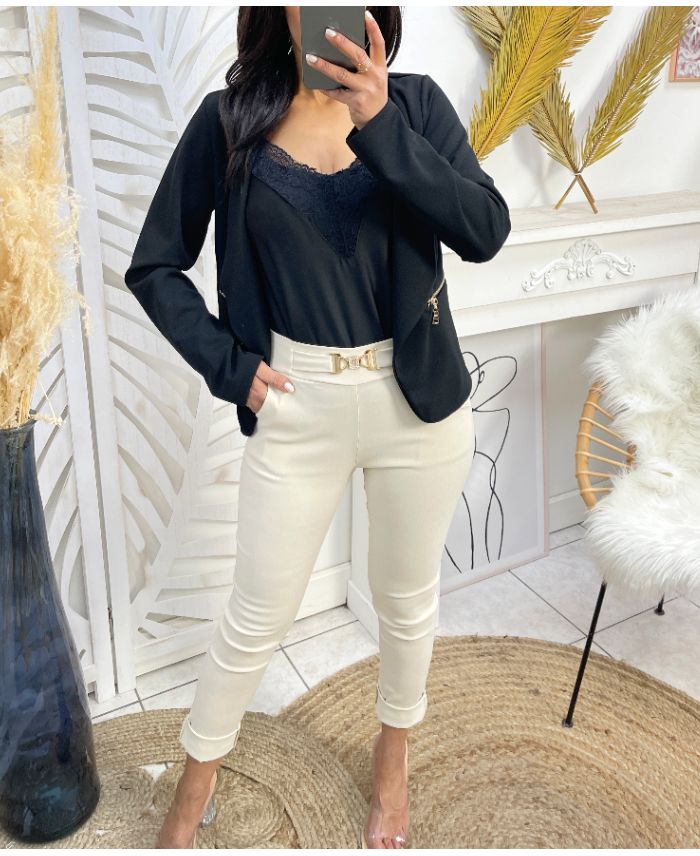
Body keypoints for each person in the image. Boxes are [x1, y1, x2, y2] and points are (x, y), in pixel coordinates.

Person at [125, 6, 510, 848]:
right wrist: (232, 370)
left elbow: (485, 230)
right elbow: (154, 266)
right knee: (256, 613)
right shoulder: (229, 121)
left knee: (405, 602)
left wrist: (381, 123)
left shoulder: (414, 104)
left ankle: (392, 763)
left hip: (416, 403)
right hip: (295, 403)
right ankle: (194, 785)